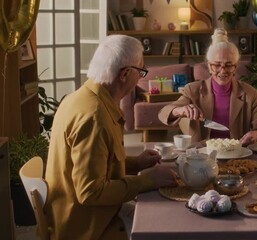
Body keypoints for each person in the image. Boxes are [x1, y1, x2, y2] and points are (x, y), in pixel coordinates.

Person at [45, 35, 178, 240]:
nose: (140, 78)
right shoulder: (94, 117)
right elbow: (90, 191)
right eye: (141, 71)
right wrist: (146, 181)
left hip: (79, 214)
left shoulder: (82, 97)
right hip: (88, 227)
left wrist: (136, 163)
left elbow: (98, 164)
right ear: (125, 74)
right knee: (164, 223)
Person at [158, 28, 257, 145]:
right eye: (217, 65)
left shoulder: (249, 93)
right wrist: (179, 110)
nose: (223, 71)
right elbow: (163, 113)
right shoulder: (192, 90)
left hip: (236, 154)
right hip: (201, 155)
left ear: (235, 67)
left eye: (228, 65)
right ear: (209, 66)